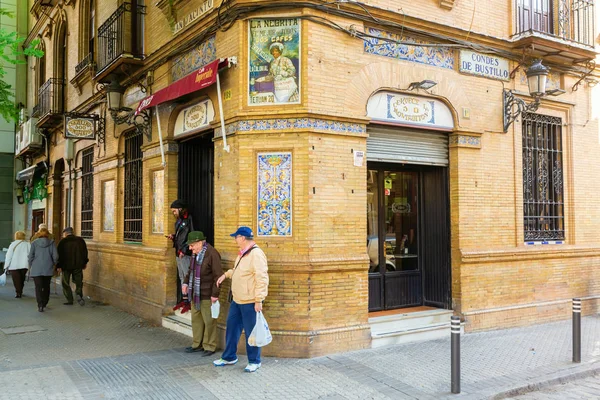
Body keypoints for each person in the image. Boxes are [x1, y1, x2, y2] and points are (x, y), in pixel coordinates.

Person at [213, 226, 269, 373]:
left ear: (243, 238)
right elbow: (238, 271)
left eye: (236, 237)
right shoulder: (243, 254)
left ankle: (254, 361)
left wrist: (259, 300)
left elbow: (262, 278)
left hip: (250, 301)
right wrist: (226, 275)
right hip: (237, 300)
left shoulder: (256, 254)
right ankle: (229, 356)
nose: (235, 240)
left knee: (252, 333)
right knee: (232, 328)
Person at [182, 231, 224, 356]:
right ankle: (197, 344)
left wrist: (215, 294)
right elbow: (190, 271)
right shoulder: (196, 255)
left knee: (209, 321)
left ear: (200, 243)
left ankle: (210, 346)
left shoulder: (212, 254)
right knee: (196, 320)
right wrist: (185, 283)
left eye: (192, 245)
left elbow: (218, 276)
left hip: (207, 294)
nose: (190, 248)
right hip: (195, 294)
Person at [167, 199, 194, 313]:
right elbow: (181, 235)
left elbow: (191, 235)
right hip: (178, 252)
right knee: (182, 276)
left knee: (188, 277)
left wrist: (184, 249)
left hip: (185, 253)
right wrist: (174, 236)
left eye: (174, 211)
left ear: (180, 209)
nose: (174, 213)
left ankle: (189, 301)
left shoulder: (189, 219)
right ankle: (184, 299)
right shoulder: (179, 221)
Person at [28, 228, 58, 312]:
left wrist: (30, 265)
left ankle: (40, 304)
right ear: (48, 234)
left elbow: (30, 256)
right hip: (48, 268)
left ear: (38, 234)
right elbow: (55, 256)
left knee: (38, 287)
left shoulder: (34, 243)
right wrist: (54, 263)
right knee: (46, 286)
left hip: (36, 268)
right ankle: (45, 302)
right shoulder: (52, 243)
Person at [57, 227, 89, 306]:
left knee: (65, 282)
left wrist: (58, 266)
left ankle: (69, 299)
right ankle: (78, 294)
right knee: (78, 281)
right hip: (78, 265)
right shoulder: (80, 240)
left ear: (65, 233)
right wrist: (84, 263)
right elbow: (85, 252)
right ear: (73, 232)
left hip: (66, 266)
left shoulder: (62, 242)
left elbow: (59, 255)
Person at [4, 231, 31, 298]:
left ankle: (18, 292)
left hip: (14, 265)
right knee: (22, 278)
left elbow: (9, 256)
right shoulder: (28, 244)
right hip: (24, 264)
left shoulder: (12, 244)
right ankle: (20, 290)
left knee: (16, 280)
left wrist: (6, 265)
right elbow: (31, 254)